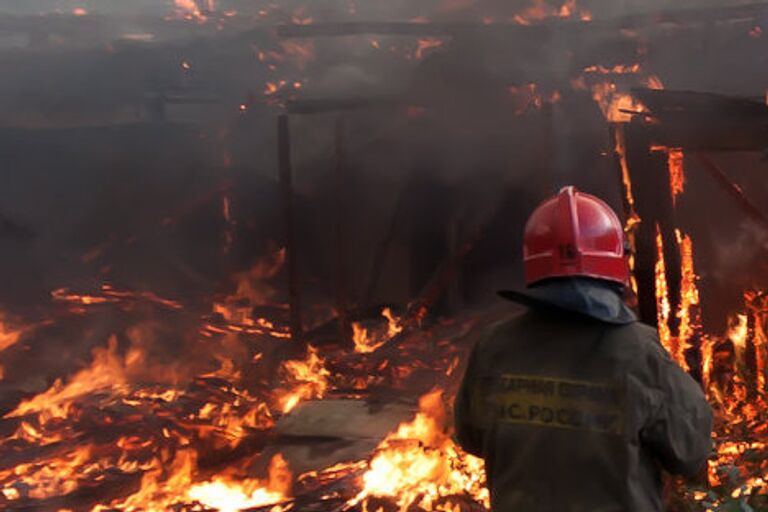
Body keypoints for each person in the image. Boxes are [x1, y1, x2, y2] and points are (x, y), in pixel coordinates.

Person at [454, 186, 713, 512]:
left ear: (533, 267)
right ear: (617, 264)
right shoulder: (639, 353)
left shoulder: (493, 347)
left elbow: (471, 438)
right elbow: (690, 451)